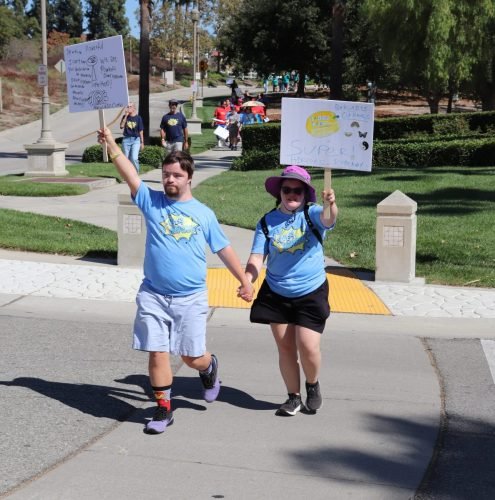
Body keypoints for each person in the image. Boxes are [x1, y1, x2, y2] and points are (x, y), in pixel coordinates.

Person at [97, 127, 254, 434]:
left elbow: (223, 249)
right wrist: (113, 145)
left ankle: (209, 367)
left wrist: (244, 281)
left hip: (190, 297)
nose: (170, 179)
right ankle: (163, 409)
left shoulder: (203, 214)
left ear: (189, 178)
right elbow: (130, 175)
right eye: (166, 174)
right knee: (157, 351)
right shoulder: (151, 201)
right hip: (153, 294)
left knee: (191, 357)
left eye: (177, 175)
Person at [244, 165, 338, 417]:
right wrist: (248, 280)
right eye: (287, 190)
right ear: (280, 192)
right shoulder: (266, 222)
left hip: (311, 291)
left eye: (298, 190)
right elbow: (256, 257)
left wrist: (331, 204)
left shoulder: (312, 214)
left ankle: (312, 384)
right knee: (285, 348)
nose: (292, 194)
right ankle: (293, 397)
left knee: (308, 346)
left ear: (306, 194)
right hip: (277, 292)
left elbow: (329, 219)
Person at [120, 103, 144, 172]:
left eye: (130, 107)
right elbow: (121, 126)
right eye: (127, 107)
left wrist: (142, 142)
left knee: (134, 158)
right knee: (126, 159)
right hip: (126, 140)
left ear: (134, 108)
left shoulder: (138, 118)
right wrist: (126, 116)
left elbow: (141, 131)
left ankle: (136, 173)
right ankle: (128, 174)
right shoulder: (125, 117)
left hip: (136, 140)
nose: (128, 108)